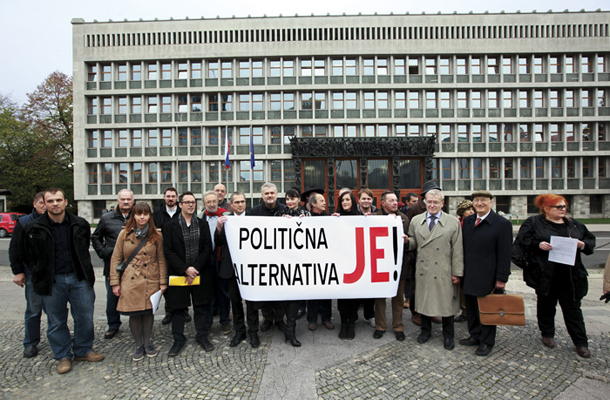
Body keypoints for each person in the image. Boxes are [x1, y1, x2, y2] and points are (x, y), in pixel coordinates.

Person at [20, 188, 104, 374]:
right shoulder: (33, 227)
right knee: (56, 321)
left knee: (84, 318)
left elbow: (83, 250)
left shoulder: (79, 224)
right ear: (44, 203)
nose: (55, 204)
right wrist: (21, 272)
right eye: (50, 201)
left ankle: (83, 350)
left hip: (79, 278)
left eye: (58, 200)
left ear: (66, 202)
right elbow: (23, 252)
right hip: (51, 281)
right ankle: (63, 355)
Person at [513, 194, 595, 358]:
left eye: (564, 206)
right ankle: (547, 333)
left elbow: (589, 241)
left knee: (573, 310)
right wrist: (538, 244)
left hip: (570, 275)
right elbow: (522, 241)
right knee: (546, 305)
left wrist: (582, 244)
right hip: (545, 273)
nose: (563, 209)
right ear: (546, 209)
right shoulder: (534, 223)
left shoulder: (573, 225)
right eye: (559, 207)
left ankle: (580, 342)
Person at [110, 202, 167, 361]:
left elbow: (161, 259)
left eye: (145, 214)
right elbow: (116, 258)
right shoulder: (124, 234)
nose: (142, 217)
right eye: (139, 214)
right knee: (134, 313)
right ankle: (138, 344)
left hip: (151, 277)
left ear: (149, 216)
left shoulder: (157, 235)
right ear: (133, 216)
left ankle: (148, 342)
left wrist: (163, 282)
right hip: (131, 278)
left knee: (148, 312)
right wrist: (115, 282)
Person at [407, 188, 463, 351]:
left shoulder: (452, 222)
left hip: (444, 270)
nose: (432, 205)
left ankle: (448, 336)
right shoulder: (416, 221)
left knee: (447, 305)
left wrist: (457, 273)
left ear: (442, 203)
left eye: (435, 202)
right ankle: (425, 331)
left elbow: (458, 249)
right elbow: (413, 241)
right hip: (424, 268)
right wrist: (406, 242)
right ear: (425, 203)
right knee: (425, 301)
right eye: (429, 202)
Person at [459, 191, 513, 357]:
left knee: (487, 310)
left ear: (491, 202)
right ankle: (475, 335)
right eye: (476, 200)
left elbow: (505, 253)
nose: (480, 203)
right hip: (469, 274)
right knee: (472, 309)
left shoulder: (501, 224)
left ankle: (487, 341)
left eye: (483, 200)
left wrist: (502, 278)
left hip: (488, 276)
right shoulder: (468, 221)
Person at [249, 183, 302, 346]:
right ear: (262, 195)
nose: (270, 195)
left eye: (272, 193)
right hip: (263, 258)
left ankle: (280, 319)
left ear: (276, 194)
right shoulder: (254, 212)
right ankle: (268, 318)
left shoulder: (284, 210)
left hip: (282, 258)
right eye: (267, 193)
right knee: (266, 291)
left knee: (280, 291)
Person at [163, 192, 214, 356]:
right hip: (179, 273)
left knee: (201, 307)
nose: (191, 205)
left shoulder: (202, 224)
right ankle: (178, 339)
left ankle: (202, 336)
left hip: (200, 272)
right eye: (187, 202)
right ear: (180, 205)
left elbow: (207, 248)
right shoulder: (170, 226)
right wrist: (185, 268)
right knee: (178, 308)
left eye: (193, 202)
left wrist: (195, 268)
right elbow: (168, 251)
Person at [91, 189, 134, 339]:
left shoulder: (138, 216)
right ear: (118, 201)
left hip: (134, 265)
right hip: (113, 265)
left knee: (134, 294)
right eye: (123, 199)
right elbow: (96, 237)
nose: (126, 202)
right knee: (112, 296)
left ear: (133, 200)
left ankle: (137, 324)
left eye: (128, 199)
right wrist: (103, 252)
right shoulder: (106, 218)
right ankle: (113, 324)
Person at [9, 192, 45, 358]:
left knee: (57, 311)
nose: (45, 205)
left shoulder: (55, 221)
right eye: (41, 202)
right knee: (33, 310)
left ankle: (59, 337)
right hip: (32, 274)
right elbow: (15, 248)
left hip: (53, 274)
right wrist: (18, 271)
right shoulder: (24, 222)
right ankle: (30, 343)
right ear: (35, 204)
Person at [372, 191, 410, 341]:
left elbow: (411, 240)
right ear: (383, 203)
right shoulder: (374, 218)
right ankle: (380, 326)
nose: (395, 203)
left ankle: (398, 326)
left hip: (399, 264)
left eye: (396, 200)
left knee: (398, 297)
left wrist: (407, 241)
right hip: (380, 264)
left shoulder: (404, 218)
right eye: (391, 200)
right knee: (380, 297)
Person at [215, 192, 250, 347]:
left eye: (242, 201)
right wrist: (219, 228)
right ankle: (240, 331)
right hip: (231, 267)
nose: (240, 205)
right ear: (231, 204)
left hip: (250, 267)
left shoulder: (253, 218)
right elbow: (218, 242)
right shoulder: (226, 219)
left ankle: (253, 332)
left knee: (251, 302)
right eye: (237, 202)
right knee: (235, 303)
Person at [406, 181, 442, 327]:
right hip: (418, 256)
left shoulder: (438, 207)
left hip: (435, 256)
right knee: (417, 287)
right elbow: (409, 231)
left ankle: (431, 311)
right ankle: (416, 313)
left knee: (433, 286)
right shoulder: (415, 209)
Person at [152, 187, 187, 325]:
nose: (171, 198)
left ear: (177, 198)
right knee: (166, 283)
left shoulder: (182, 212)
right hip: (163, 253)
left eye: (173, 196)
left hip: (180, 253)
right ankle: (169, 310)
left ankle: (183, 310)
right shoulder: (157, 214)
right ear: (164, 197)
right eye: (168, 196)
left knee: (181, 282)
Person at [200, 190, 232, 335]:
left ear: (218, 201)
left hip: (222, 258)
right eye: (208, 202)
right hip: (206, 260)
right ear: (204, 203)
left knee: (224, 291)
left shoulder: (226, 216)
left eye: (214, 201)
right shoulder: (200, 218)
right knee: (207, 292)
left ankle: (225, 320)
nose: (212, 204)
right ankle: (207, 322)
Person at [333, 191, 362, 340]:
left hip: (356, 261)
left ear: (352, 201)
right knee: (342, 296)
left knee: (354, 295)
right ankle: (344, 323)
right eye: (342, 200)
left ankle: (352, 322)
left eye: (347, 200)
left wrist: (369, 221)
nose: (345, 202)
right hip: (341, 262)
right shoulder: (336, 217)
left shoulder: (360, 217)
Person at [306, 193, 335, 333]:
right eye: (321, 201)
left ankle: (326, 318)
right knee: (311, 292)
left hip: (326, 260)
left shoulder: (329, 219)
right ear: (313, 204)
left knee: (325, 291)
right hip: (310, 260)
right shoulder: (305, 218)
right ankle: (311, 320)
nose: (325, 203)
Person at [283, 188, 310, 322]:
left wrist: (307, 223)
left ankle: (301, 306)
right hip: (286, 255)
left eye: (292, 198)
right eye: (287, 199)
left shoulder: (306, 213)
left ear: (299, 199)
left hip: (301, 254)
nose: (290, 201)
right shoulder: (281, 213)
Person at [454, 198, 475, 323]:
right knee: (461, 287)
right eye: (468, 209)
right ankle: (464, 310)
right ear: (462, 212)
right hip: (459, 259)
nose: (471, 212)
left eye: (473, 209)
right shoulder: (457, 224)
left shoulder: (475, 223)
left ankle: (471, 310)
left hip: (471, 260)